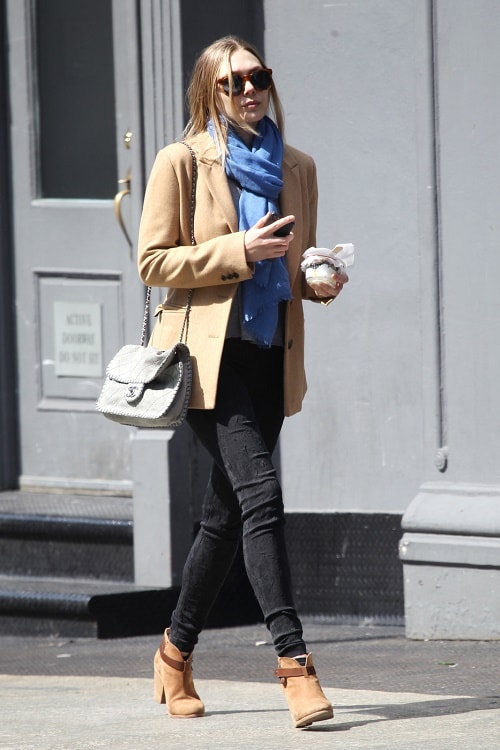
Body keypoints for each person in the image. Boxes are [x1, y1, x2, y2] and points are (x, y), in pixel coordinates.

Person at [137, 35, 348, 729]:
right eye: (234, 82)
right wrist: (238, 252)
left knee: (225, 518)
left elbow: (295, 270)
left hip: (268, 356)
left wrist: (319, 281)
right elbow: (153, 262)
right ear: (210, 93)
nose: (250, 89)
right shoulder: (182, 162)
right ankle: (295, 666)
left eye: (258, 76)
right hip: (207, 362)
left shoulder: (299, 167)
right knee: (261, 499)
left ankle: (174, 652)